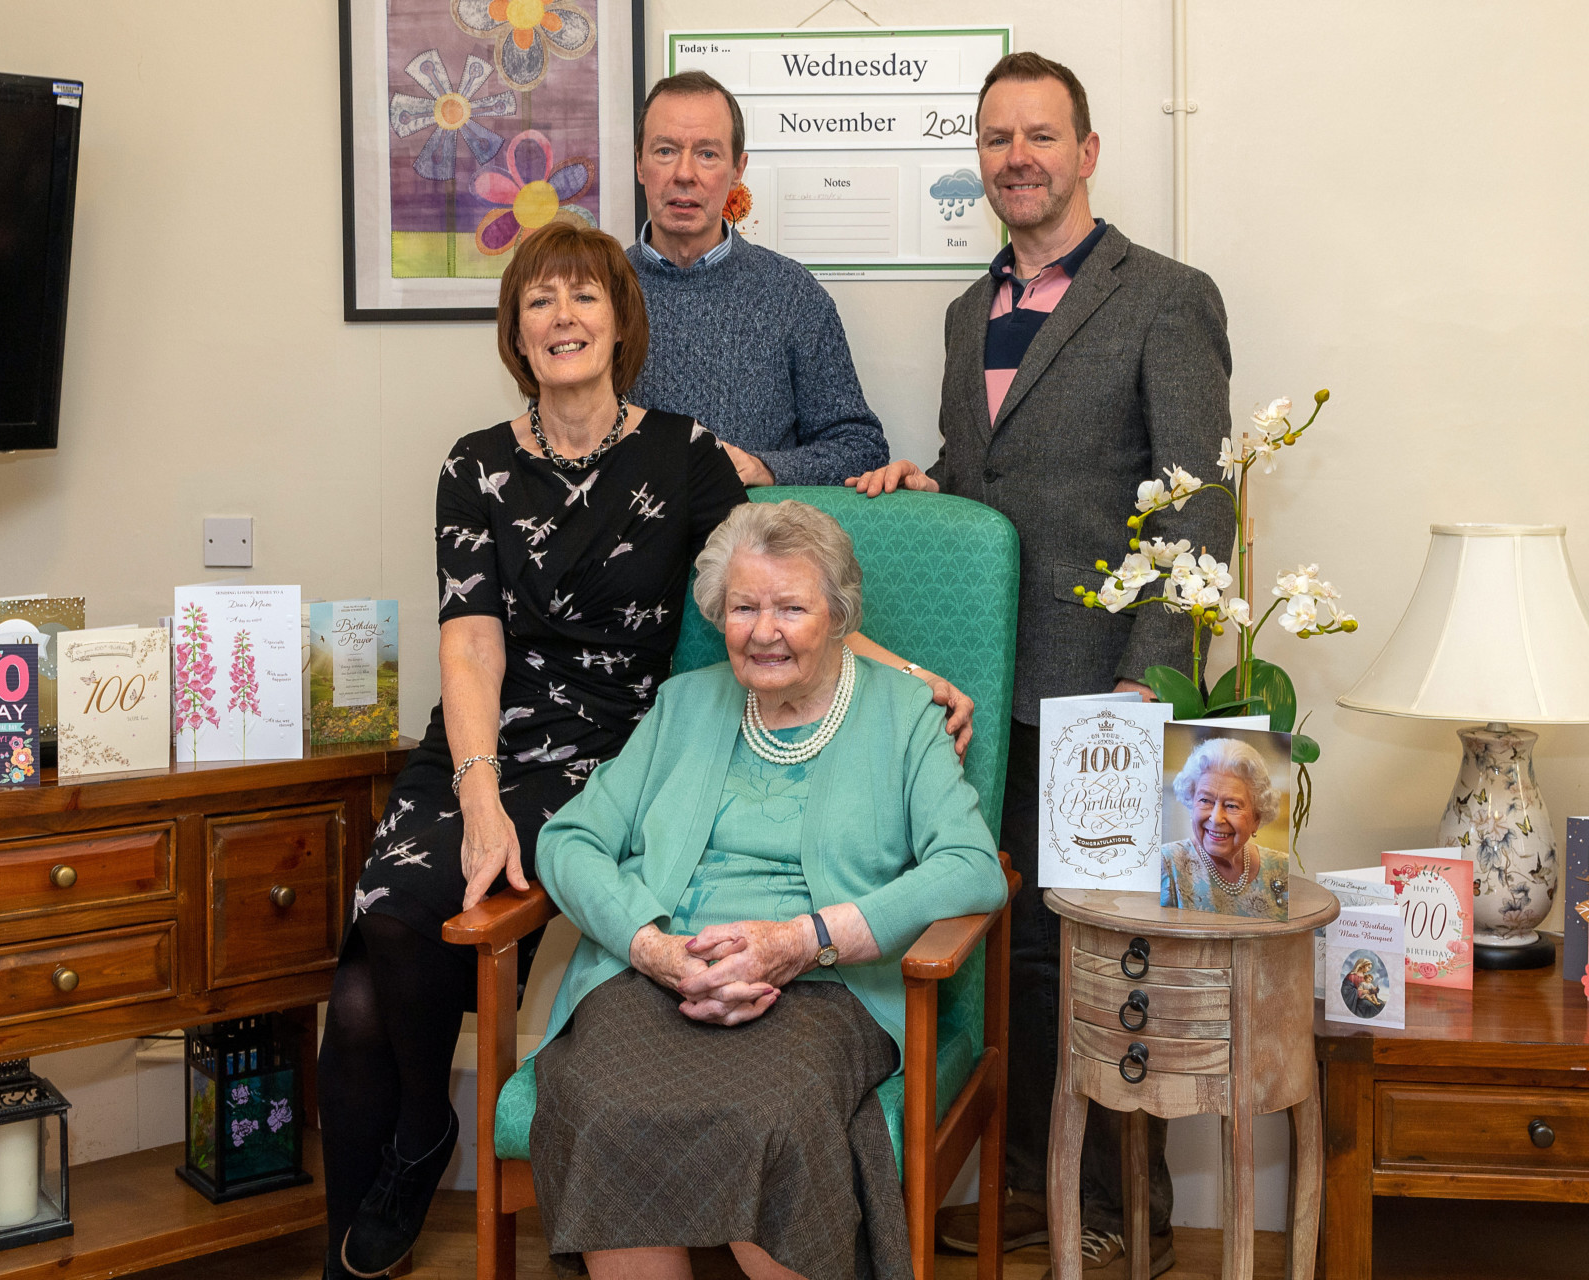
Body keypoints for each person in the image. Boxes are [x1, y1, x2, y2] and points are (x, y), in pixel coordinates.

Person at [318, 221, 970, 1280]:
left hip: (607, 741)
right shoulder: (475, 463)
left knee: (375, 985)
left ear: (622, 321)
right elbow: (470, 640)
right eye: (539, 300)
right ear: (515, 330)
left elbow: (769, 585)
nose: (562, 317)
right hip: (482, 733)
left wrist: (901, 673)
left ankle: (448, 1148)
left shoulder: (684, 452)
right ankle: (421, 1138)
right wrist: (478, 794)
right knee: (383, 938)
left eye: (584, 296)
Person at [849, 49, 1234, 1275]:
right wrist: (931, 485)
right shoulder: (968, 313)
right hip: (987, 692)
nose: (1017, 156)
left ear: (1087, 152)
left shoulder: (1166, 296)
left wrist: (1148, 681)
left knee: (1113, 953)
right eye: (996, 137)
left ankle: (1130, 1212)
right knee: (1009, 946)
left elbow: (1198, 506)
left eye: (1040, 135)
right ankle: (1031, 1189)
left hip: (1104, 692)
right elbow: (992, 475)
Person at [528, 500, 1007, 1280]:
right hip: (660, 976)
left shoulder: (904, 717)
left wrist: (803, 941)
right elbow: (568, 840)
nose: (763, 631)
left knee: (770, 1115)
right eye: (743, 607)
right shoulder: (684, 704)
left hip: (823, 986)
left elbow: (971, 866)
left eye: (791, 608)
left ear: (839, 616)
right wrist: (652, 949)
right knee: (606, 1106)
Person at [629, 70, 889, 487]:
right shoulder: (595, 292)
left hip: (758, 528)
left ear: (738, 170)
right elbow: (554, 437)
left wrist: (766, 468)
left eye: (707, 154)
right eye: (665, 151)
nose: (684, 173)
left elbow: (861, 448)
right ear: (639, 163)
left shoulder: (792, 294)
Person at [1158, 737, 1290, 919]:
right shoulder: (1165, 865)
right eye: (1205, 800)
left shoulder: (1282, 868)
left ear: (1256, 818)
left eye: (1232, 805)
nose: (1216, 818)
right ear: (1191, 803)